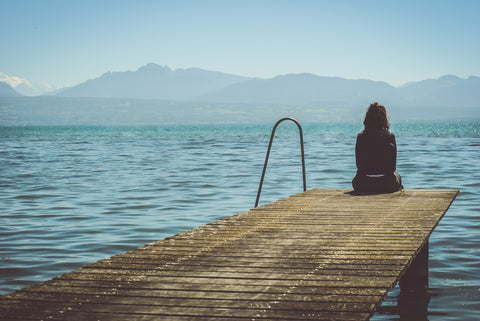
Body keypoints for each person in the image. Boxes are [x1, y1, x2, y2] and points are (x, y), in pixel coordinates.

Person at [352, 102, 403, 193]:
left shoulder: (361, 137)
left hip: (363, 183)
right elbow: (392, 167)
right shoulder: (390, 137)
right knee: (397, 176)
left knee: (356, 179)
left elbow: (358, 164)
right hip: (386, 183)